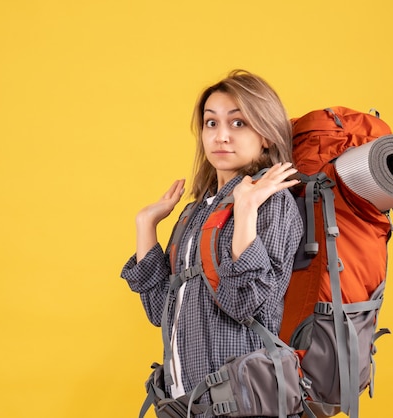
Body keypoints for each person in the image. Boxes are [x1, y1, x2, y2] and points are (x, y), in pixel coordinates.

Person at [120, 69, 304, 417]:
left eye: (238, 124)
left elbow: (242, 302)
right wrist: (146, 226)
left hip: (244, 404)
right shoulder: (196, 212)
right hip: (190, 405)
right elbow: (160, 310)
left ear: (265, 134)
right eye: (210, 123)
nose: (221, 136)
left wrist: (246, 208)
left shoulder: (272, 202)